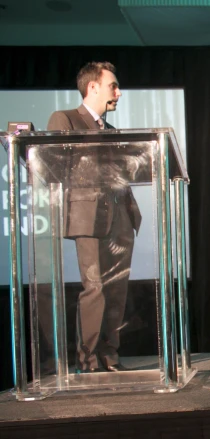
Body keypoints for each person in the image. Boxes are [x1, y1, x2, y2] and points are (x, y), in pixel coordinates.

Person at [47, 62, 142, 372]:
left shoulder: (112, 131)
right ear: (93, 87)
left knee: (117, 289)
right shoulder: (67, 119)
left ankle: (109, 354)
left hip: (120, 217)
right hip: (88, 216)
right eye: (113, 85)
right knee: (95, 288)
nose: (119, 92)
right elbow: (56, 166)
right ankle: (87, 360)